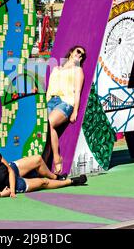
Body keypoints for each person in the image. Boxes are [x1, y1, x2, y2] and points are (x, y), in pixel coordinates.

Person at [0, 136, 87, 198]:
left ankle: (56, 177)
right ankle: (70, 181)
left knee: (37, 159)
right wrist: (1, 194)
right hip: (13, 184)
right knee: (43, 182)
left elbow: (10, 170)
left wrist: (11, 191)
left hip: (12, 174)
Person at [46, 46, 86, 174]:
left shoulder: (78, 70)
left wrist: (75, 111)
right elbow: (49, 88)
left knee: (49, 123)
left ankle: (57, 159)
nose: (80, 55)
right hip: (50, 101)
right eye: (78, 52)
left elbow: (77, 92)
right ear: (71, 52)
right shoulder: (56, 69)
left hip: (65, 102)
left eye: (82, 55)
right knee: (44, 129)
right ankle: (44, 162)